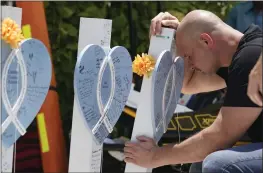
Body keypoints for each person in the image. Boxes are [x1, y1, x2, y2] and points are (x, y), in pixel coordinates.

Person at [124, 10, 262, 173]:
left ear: (205, 41)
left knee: (217, 164)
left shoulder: (251, 57)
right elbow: (186, 84)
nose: (188, 65)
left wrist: (155, 157)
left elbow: (220, 136)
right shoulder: (237, 60)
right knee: (200, 164)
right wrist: (170, 38)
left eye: (188, 56)